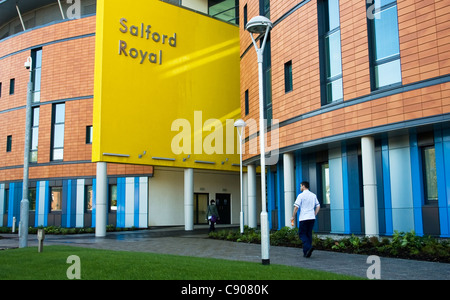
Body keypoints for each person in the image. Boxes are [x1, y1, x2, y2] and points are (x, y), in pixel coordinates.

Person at [291, 181, 320, 258]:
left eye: (300, 186)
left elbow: (296, 207)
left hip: (304, 218)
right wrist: (314, 214)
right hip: (311, 218)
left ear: (303, 186)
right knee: (308, 234)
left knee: (302, 234)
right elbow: (318, 206)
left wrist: (293, 216)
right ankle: (306, 253)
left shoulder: (301, 196)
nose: (300, 188)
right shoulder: (313, 195)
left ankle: (308, 247)